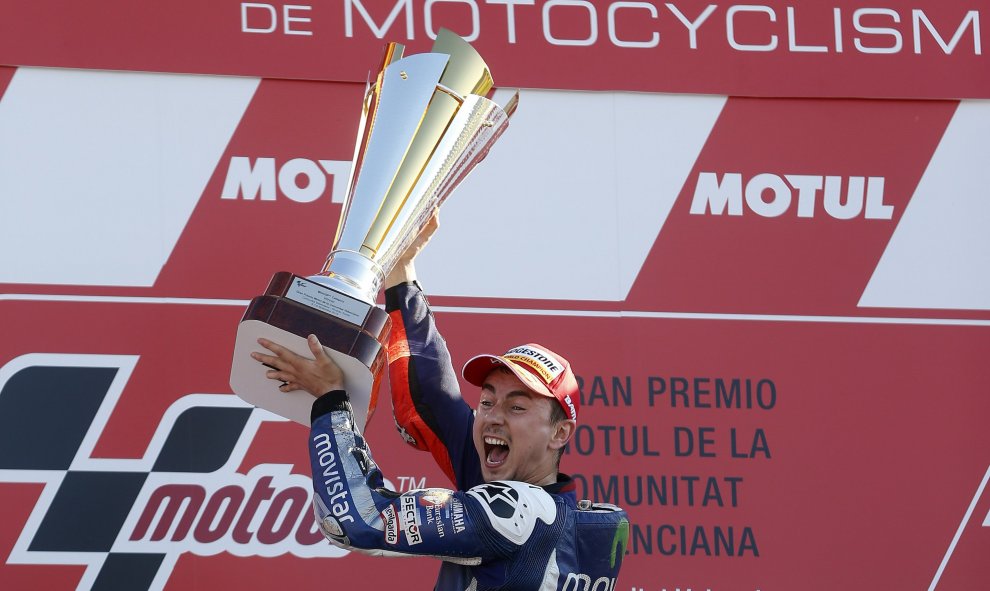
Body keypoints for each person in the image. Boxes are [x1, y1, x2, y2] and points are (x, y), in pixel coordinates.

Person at [252, 215, 629, 590]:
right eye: (486, 402)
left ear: (559, 433)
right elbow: (434, 399)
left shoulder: (515, 512)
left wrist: (331, 401)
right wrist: (401, 275)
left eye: (517, 407)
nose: (492, 418)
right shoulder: (546, 507)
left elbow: (360, 520)